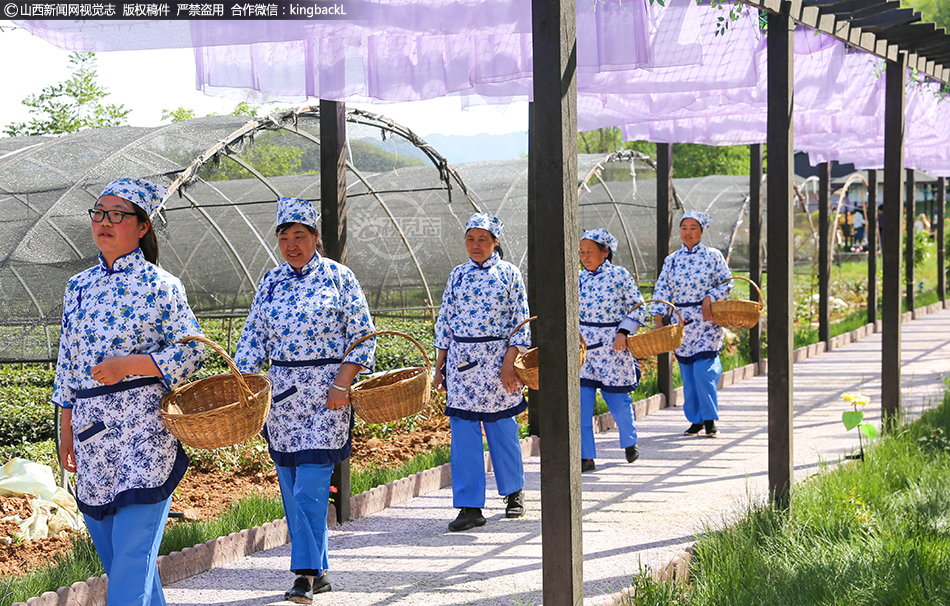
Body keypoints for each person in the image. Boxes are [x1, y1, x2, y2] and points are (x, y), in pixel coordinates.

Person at [53, 178, 205, 606]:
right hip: (92, 437)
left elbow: (193, 351)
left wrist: (131, 365)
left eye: (117, 214)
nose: (104, 222)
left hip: (146, 433)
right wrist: (66, 429)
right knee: (118, 557)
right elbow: (67, 361)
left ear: (142, 227)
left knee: (133, 555)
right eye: (99, 213)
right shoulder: (77, 287)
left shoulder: (162, 285)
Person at [235, 197, 376, 604]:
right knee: (292, 486)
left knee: (310, 487)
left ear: (316, 237)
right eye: (284, 238)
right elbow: (253, 338)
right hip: (282, 400)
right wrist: (243, 383)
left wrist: (341, 385)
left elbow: (363, 337)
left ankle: (304, 575)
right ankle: (321, 569)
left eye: (299, 236)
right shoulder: (271, 282)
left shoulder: (339, 278)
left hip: (327, 397)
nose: (291, 245)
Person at [433, 212, 530, 532]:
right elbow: (445, 321)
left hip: (498, 364)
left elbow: (520, 322)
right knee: (463, 435)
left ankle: (513, 493)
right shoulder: (457, 275)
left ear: (495, 242)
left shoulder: (509, 274)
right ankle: (470, 506)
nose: (475, 245)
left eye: (482, 239)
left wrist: (509, 364)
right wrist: (439, 367)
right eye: (470, 239)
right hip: (461, 366)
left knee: (503, 429)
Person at [651, 211, 733, 437]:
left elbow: (728, 283)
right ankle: (696, 420)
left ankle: (710, 419)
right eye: (684, 228)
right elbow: (662, 288)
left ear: (702, 231)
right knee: (687, 375)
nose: (687, 232)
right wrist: (658, 318)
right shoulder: (672, 260)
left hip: (707, 321)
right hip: (682, 323)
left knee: (703, 370)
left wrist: (710, 298)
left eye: (693, 228)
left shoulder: (713, 256)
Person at [577, 229, 647, 472]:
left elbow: (638, 307)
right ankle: (585, 456)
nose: (585, 256)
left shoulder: (620, 275)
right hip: (583, 350)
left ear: (605, 251)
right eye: (581, 252)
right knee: (581, 405)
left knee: (618, 401)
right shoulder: (577, 278)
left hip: (612, 349)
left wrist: (623, 332)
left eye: (590, 251)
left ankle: (629, 441)